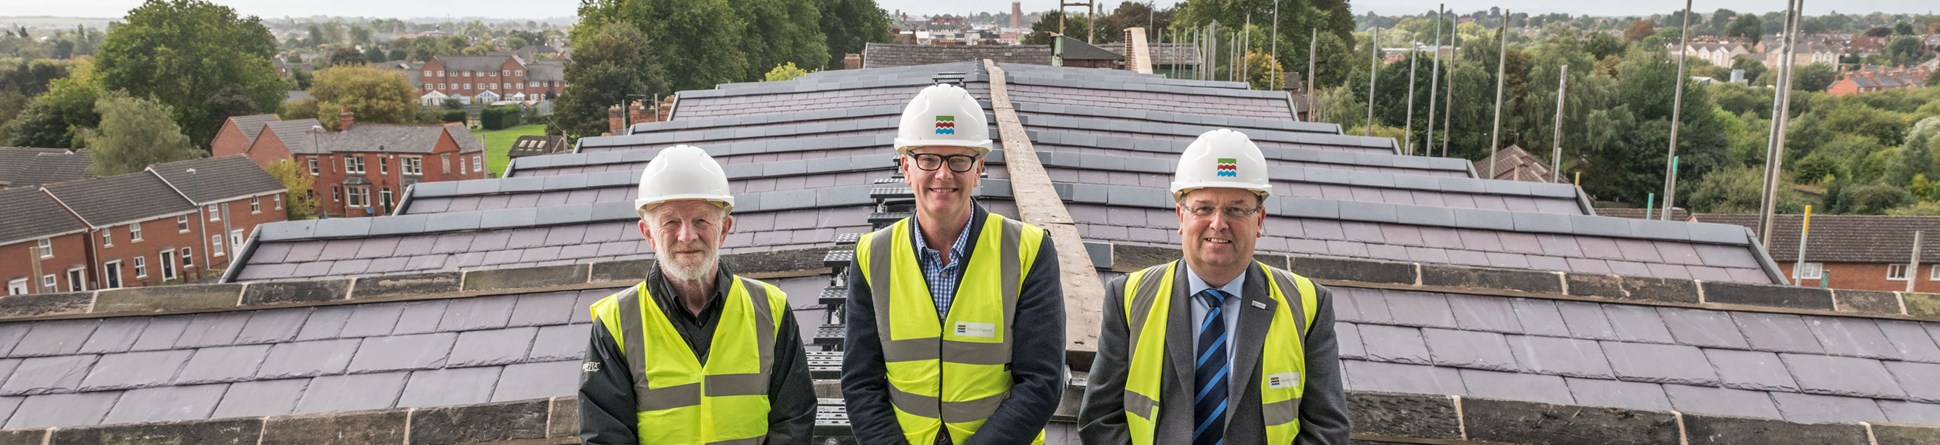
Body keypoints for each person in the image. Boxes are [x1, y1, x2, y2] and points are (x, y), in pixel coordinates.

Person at [1078, 129, 1350, 444]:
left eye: (1236, 209)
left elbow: (1327, 430)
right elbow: (1100, 421)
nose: (1218, 223)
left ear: (1259, 220)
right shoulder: (1129, 298)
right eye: (1204, 208)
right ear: (1181, 215)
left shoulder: (1307, 305)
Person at [842, 84, 1067, 444]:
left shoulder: (1028, 251)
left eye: (959, 160)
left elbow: (1042, 382)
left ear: (978, 169)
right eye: (928, 159)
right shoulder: (873, 255)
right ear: (906, 167)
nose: (943, 175)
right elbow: (860, 382)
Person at [580, 145, 816, 444]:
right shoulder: (615, 322)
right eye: (670, 222)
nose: (687, 236)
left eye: (701, 220)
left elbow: (794, 421)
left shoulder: (771, 309)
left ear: (724, 228)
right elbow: (606, 436)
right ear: (648, 233)